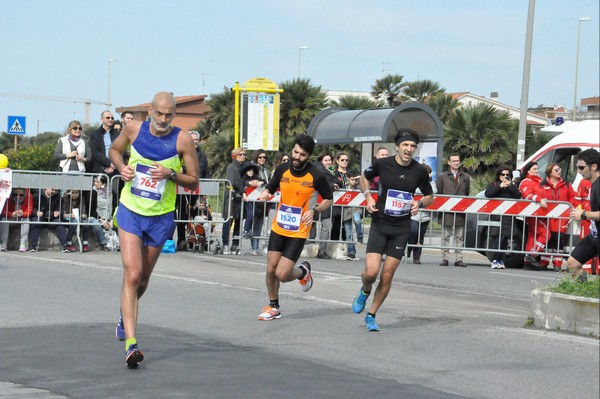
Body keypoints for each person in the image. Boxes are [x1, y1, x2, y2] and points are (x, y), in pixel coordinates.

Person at [109, 91, 199, 368]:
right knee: (132, 273)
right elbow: (114, 150)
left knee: (143, 280)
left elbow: (194, 181)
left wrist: (171, 174)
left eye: (168, 114)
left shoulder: (182, 139)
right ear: (150, 110)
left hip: (160, 217)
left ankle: (126, 315)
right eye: (159, 113)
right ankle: (131, 344)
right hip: (131, 211)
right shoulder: (134, 128)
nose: (163, 119)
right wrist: (122, 167)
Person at [352, 129, 434, 331]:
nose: (409, 149)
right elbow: (363, 177)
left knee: (387, 275)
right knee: (371, 273)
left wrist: (420, 204)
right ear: (397, 146)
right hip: (380, 223)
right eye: (405, 145)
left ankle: (371, 315)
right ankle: (365, 289)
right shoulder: (382, 164)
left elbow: (429, 195)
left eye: (412, 146)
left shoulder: (419, 171)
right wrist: (368, 197)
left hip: (401, 227)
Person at [256, 134, 333, 321]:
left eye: (302, 155)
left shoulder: (316, 175)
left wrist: (314, 210)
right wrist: (266, 192)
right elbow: (271, 186)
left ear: (309, 156)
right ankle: (273, 306)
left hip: (298, 230)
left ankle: (303, 271)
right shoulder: (282, 168)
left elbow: (329, 199)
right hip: (279, 226)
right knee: (270, 269)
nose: (297, 157)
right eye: (295, 152)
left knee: (282, 274)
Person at [565, 149, 600, 282]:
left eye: (581, 167)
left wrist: (584, 214)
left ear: (594, 166)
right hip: (594, 236)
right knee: (572, 264)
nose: (578, 171)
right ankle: (585, 289)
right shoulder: (592, 184)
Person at [436, 153, 471, 267]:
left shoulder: (465, 177)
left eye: (458, 160)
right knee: (445, 235)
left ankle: (458, 258)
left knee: (459, 236)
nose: (456, 162)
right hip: (446, 211)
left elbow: (467, 193)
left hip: (460, 211)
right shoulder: (442, 176)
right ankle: (445, 258)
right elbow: (439, 193)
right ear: (449, 162)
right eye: (454, 161)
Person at [484, 165, 522, 269]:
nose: (505, 176)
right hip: (497, 217)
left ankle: (500, 259)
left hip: (508, 218)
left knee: (505, 238)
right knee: (497, 238)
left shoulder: (512, 186)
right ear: (499, 175)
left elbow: (518, 195)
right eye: (503, 174)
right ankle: (495, 259)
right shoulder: (494, 184)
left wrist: (510, 186)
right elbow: (488, 194)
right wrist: (500, 186)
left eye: (507, 175)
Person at [541, 163, 576, 270]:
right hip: (547, 217)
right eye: (556, 170)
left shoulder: (566, 183)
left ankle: (557, 263)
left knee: (559, 239)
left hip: (562, 217)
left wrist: (568, 210)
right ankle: (544, 262)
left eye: (560, 169)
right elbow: (539, 196)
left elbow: (572, 198)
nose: (559, 171)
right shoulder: (543, 184)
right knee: (548, 238)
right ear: (550, 172)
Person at [519, 161, 549, 270]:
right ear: (528, 170)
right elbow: (527, 195)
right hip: (533, 214)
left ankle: (528, 262)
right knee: (545, 234)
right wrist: (539, 200)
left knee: (533, 237)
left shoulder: (538, 182)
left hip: (541, 214)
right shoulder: (526, 182)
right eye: (534, 169)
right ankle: (532, 255)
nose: (536, 171)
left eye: (537, 169)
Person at [407, 163, 436, 264]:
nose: (427, 175)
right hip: (414, 213)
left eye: (429, 173)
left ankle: (417, 257)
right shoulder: (412, 181)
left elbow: (433, 193)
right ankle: (409, 249)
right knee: (414, 232)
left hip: (426, 215)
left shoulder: (432, 184)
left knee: (421, 236)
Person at [221, 147, 247, 255]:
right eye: (240, 155)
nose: (243, 157)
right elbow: (232, 181)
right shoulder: (231, 167)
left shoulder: (245, 168)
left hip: (240, 198)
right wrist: (244, 186)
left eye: (244, 155)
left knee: (238, 221)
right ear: (235, 156)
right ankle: (225, 243)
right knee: (228, 220)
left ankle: (235, 244)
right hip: (231, 197)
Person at [28, 188, 69, 252]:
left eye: (56, 190)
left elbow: (60, 209)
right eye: (52, 189)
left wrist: (58, 212)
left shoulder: (58, 197)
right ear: (46, 188)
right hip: (41, 217)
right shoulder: (37, 196)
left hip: (52, 218)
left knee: (59, 223)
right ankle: (33, 246)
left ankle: (65, 246)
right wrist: (36, 212)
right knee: (35, 222)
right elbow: (31, 208)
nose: (54, 191)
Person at [315, 151, 336, 259]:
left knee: (326, 226)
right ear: (321, 161)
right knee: (311, 226)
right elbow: (322, 183)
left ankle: (321, 250)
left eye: (329, 160)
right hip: (316, 202)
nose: (328, 162)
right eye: (326, 160)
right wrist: (332, 185)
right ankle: (308, 249)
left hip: (325, 203)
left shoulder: (331, 170)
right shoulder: (319, 170)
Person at [249, 149, 270, 255]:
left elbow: (268, 182)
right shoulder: (252, 168)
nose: (262, 159)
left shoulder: (266, 170)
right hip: (253, 199)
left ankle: (257, 247)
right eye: (260, 157)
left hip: (264, 200)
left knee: (260, 224)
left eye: (264, 157)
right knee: (254, 223)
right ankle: (254, 247)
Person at [238, 161, 265, 241]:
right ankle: (246, 230)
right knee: (250, 214)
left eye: (252, 170)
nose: (251, 172)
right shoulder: (243, 178)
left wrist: (260, 182)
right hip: (247, 201)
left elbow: (264, 181)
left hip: (254, 201)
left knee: (252, 215)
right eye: (249, 170)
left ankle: (248, 229)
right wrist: (244, 193)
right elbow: (240, 184)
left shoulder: (255, 178)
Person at [89, 111, 119, 176]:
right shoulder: (95, 135)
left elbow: (121, 150)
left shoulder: (118, 134)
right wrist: (109, 163)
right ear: (102, 119)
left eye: (112, 118)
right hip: (100, 169)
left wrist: (115, 164)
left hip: (116, 169)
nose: (110, 119)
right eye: (108, 118)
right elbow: (95, 152)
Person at [87, 175, 112, 251]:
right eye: (95, 181)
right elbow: (91, 209)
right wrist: (101, 219)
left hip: (108, 217)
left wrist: (111, 221)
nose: (95, 183)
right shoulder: (93, 192)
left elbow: (114, 207)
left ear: (103, 184)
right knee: (96, 223)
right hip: (97, 217)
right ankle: (104, 243)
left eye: (97, 182)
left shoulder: (110, 192)